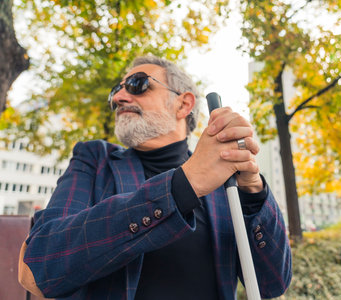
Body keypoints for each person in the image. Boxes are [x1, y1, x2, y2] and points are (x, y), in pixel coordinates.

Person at [18, 55, 292, 300]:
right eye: (117, 90)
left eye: (137, 84)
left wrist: (254, 193)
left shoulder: (226, 180)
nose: (119, 97)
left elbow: (272, 284)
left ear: (183, 104)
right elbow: (39, 266)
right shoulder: (94, 160)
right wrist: (183, 186)